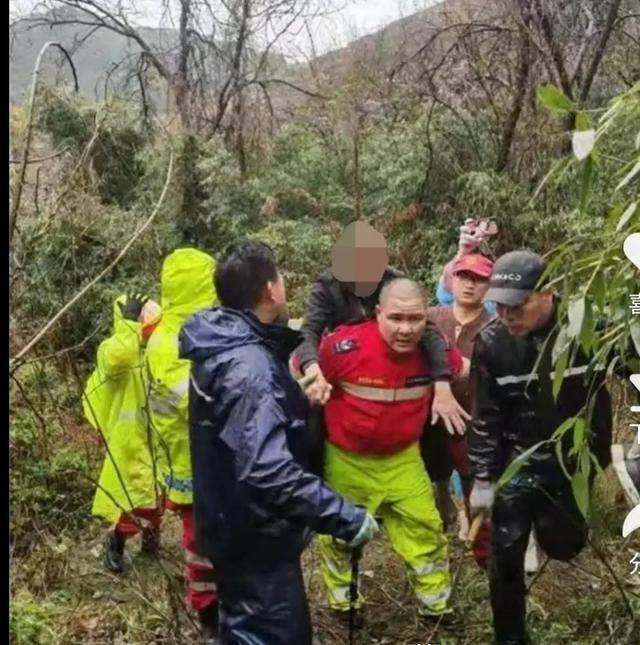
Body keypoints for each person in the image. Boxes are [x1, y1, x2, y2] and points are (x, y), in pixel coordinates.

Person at [179, 240, 378, 645]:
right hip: (255, 540)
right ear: (271, 289)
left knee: (244, 628)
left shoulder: (223, 342)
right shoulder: (249, 368)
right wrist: (344, 516)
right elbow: (267, 470)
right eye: (281, 277)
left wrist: (290, 401)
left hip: (230, 526)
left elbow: (236, 430)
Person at [467, 250, 613, 645]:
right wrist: (481, 477)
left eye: (516, 306)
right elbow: (486, 414)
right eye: (498, 305)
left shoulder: (590, 329)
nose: (506, 315)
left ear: (547, 293)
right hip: (517, 460)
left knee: (564, 543)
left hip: (573, 460)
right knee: (506, 558)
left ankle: (556, 532)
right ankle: (510, 638)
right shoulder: (492, 343)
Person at [316, 278, 463, 625]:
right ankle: (345, 607)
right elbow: (301, 367)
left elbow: (467, 368)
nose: (405, 329)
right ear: (378, 313)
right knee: (340, 537)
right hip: (346, 460)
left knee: (426, 530)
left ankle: (436, 608)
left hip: (403, 460)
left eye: (415, 319)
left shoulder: (433, 352)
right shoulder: (344, 348)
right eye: (396, 318)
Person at [293, 220, 470, 477]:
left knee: (433, 415)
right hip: (345, 364)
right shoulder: (328, 284)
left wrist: (442, 383)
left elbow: (428, 330)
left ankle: (440, 484)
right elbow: (307, 331)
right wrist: (313, 368)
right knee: (315, 420)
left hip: (398, 358)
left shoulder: (394, 281)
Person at [145, 248, 219, 642]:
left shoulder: (207, 327)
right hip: (190, 460)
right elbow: (185, 395)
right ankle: (209, 615)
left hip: (210, 457)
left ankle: (229, 603)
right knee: (199, 541)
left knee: (223, 534)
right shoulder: (168, 340)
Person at [83, 293, 163, 573]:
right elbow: (118, 358)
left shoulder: (151, 351)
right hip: (127, 440)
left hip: (154, 435)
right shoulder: (112, 349)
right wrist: (129, 325)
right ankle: (116, 542)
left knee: (157, 494)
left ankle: (152, 543)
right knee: (132, 499)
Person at [425, 254, 496, 557]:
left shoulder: (495, 327)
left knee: (474, 479)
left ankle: (483, 550)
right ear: (452, 279)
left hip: (471, 417)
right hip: (424, 417)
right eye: (464, 276)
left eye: (478, 279)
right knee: (428, 476)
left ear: (489, 287)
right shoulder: (428, 317)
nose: (469, 284)